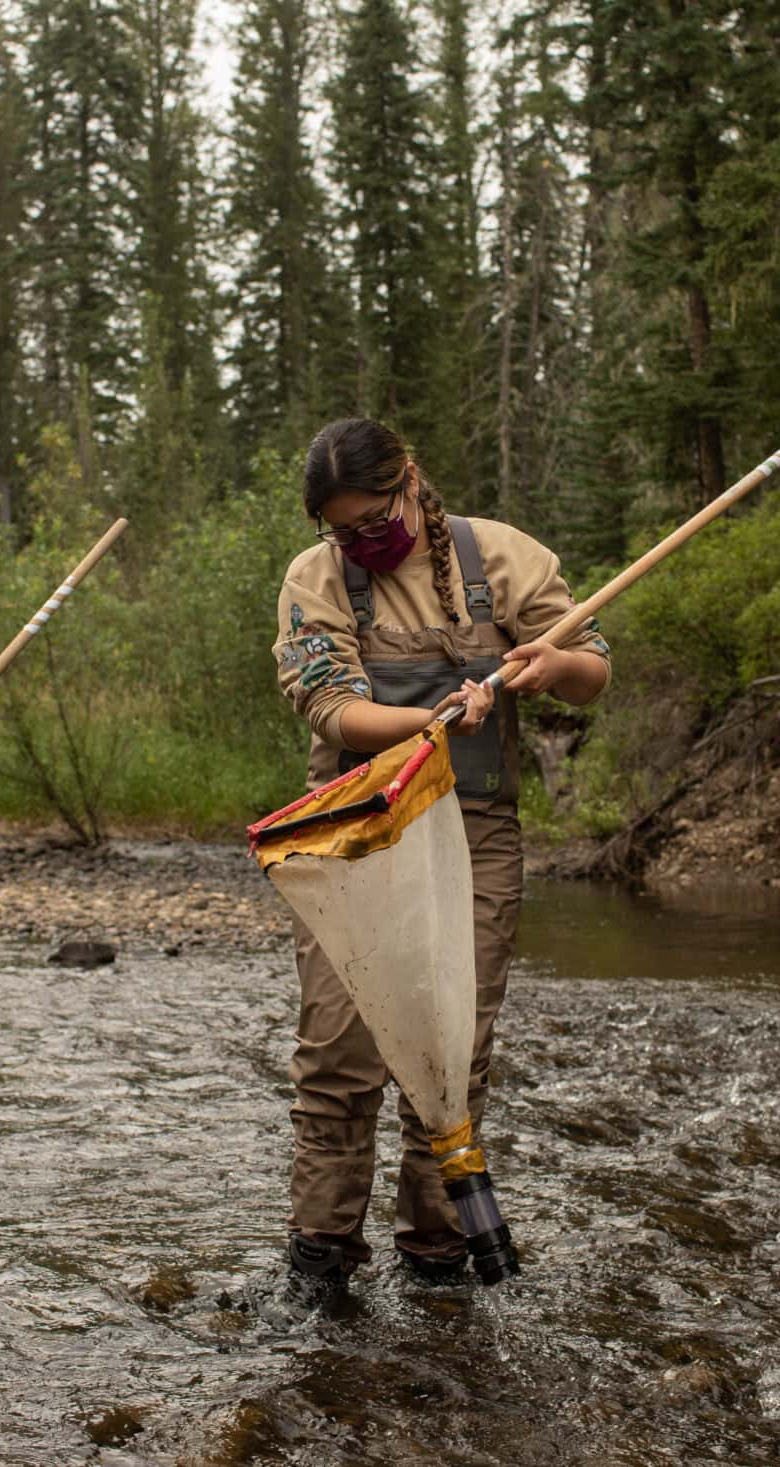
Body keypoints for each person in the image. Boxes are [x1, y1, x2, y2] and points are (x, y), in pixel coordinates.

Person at [268, 418, 611, 1309]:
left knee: (451, 1052)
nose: (359, 541)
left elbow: (593, 673)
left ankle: (436, 1257)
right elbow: (331, 710)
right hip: (351, 834)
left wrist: (547, 663)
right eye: (340, 530)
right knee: (340, 1054)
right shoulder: (315, 581)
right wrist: (429, 725)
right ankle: (322, 1261)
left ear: (411, 481)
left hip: (477, 832)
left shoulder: (503, 559)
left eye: (371, 519)